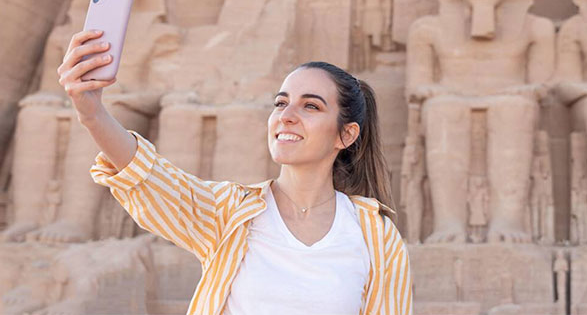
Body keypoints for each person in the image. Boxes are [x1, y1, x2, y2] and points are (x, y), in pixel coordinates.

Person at [57, 29, 413, 315]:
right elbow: (148, 176)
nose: (286, 115)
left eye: (311, 106)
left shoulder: (376, 237)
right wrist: (91, 113)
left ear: (346, 134)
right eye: (280, 102)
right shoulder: (230, 212)